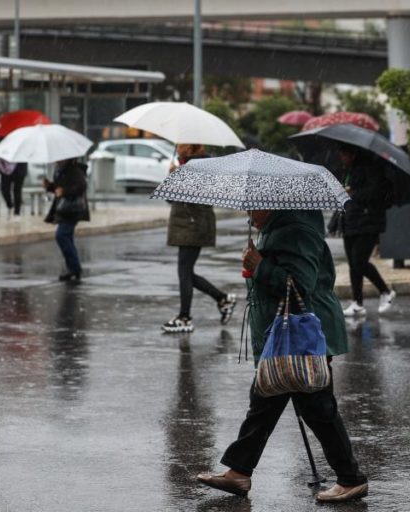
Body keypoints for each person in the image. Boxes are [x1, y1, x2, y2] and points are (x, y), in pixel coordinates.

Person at [196, 209, 368, 503]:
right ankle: (239, 472)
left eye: (254, 207)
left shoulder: (297, 231)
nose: (249, 211)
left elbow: (300, 284)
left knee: (317, 407)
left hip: (302, 335)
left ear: (273, 204)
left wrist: (260, 265)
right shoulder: (279, 228)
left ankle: (350, 479)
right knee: (264, 402)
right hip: (283, 336)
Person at [163, 143, 235, 333]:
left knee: (185, 271)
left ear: (190, 148)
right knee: (186, 272)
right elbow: (171, 199)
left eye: (181, 145)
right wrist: (174, 174)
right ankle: (222, 299)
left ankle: (185, 317)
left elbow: (188, 196)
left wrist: (175, 175)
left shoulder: (199, 167)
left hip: (193, 225)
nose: (177, 148)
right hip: (190, 225)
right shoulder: (188, 166)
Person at [338, 145, 395, 317]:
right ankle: (357, 302)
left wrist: (352, 193)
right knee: (353, 265)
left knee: (359, 262)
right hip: (350, 221)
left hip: (368, 221)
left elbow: (375, 192)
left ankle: (385, 291)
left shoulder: (371, 168)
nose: (341, 158)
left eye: (343, 154)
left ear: (352, 153)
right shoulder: (349, 170)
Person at [43, 158, 90, 282]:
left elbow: (81, 186)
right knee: (66, 237)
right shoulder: (60, 170)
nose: (56, 160)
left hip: (73, 209)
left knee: (61, 235)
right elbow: (59, 188)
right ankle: (73, 268)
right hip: (64, 209)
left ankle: (75, 268)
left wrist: (64, 191)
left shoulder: (74, 170)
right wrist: (50, 186)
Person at [0, 137, 28, 218]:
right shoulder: (2, 138)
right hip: (5, 168)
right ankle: (10, 205)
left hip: (19, 168)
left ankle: (17, 213)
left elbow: (27, 151)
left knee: (17, 191)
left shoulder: (21, 137)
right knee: (4, 189)